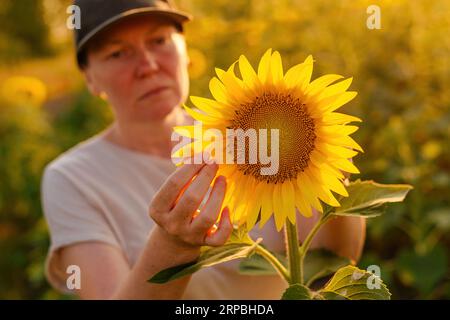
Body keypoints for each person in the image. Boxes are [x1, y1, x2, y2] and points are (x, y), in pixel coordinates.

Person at [42, 0, 366, 300]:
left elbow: (333, 260)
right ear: (89, 79)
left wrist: (328, 167)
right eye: (117, 53)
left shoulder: (254, 129)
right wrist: (173, 248)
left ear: (186, 50)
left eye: (159, 41)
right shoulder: (73, 179)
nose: (148, 65)